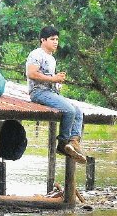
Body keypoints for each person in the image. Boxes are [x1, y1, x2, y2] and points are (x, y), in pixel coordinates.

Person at [26, 26, 86, 164]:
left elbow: (48, 77)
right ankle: (62, 143)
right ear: (43, 40)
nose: (56, 42)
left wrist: (56, 82)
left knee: (78, 112)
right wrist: (53, 79)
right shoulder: (36, 54)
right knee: (69, 110)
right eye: (52, 39)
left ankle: (73, 142)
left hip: (50, 92)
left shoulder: (51, 58)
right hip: (38, 92)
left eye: (57, 39)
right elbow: (31, 74)